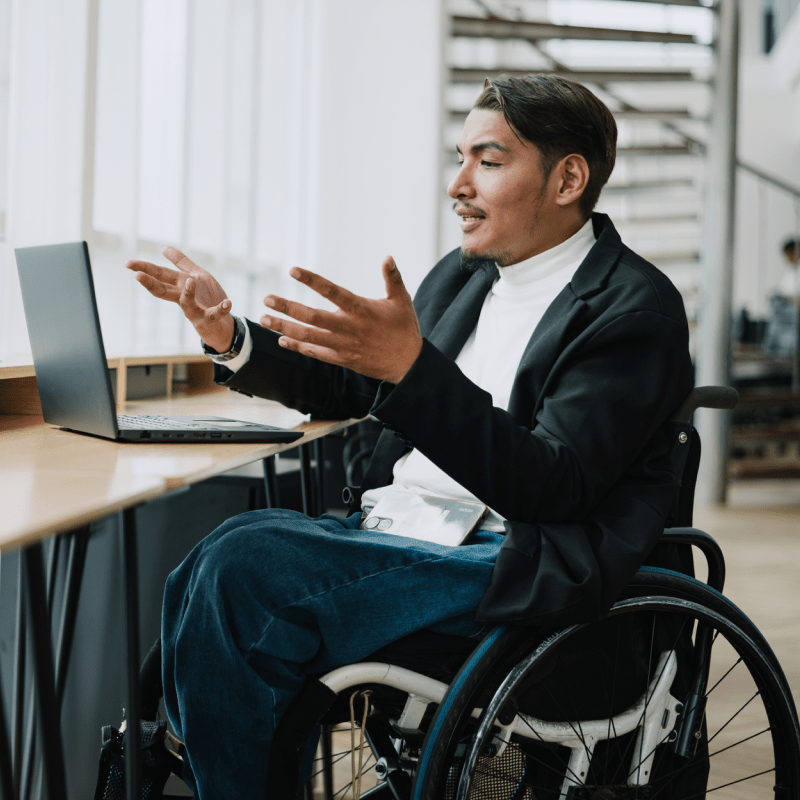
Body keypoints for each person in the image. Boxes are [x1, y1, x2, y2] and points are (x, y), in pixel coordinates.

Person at [127, 73, 694, 799]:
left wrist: (413, 369)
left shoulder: (632, 310)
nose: (458, 184)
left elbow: (555, 484)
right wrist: (232, 337)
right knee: (211, 566)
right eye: (459, 159)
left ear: (568, 178)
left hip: (511, 561)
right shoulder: (462, 279)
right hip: (407, 533)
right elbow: (353, 384)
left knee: (243, 566)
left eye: (488, 162)